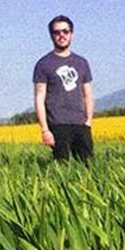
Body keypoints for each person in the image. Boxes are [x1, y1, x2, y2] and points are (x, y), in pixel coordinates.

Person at [33, 15, 94, 162]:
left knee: (89, 167)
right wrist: (45, 130)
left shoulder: (82, 63)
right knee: (62, 167)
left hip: (81, 124)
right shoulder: (43, 64)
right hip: (58, 125)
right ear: (51, 36)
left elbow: (88, 95)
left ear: (71, 33)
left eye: (65, 31)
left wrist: (88, 122)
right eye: (57, 32)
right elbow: (39, 99)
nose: (61, 35)